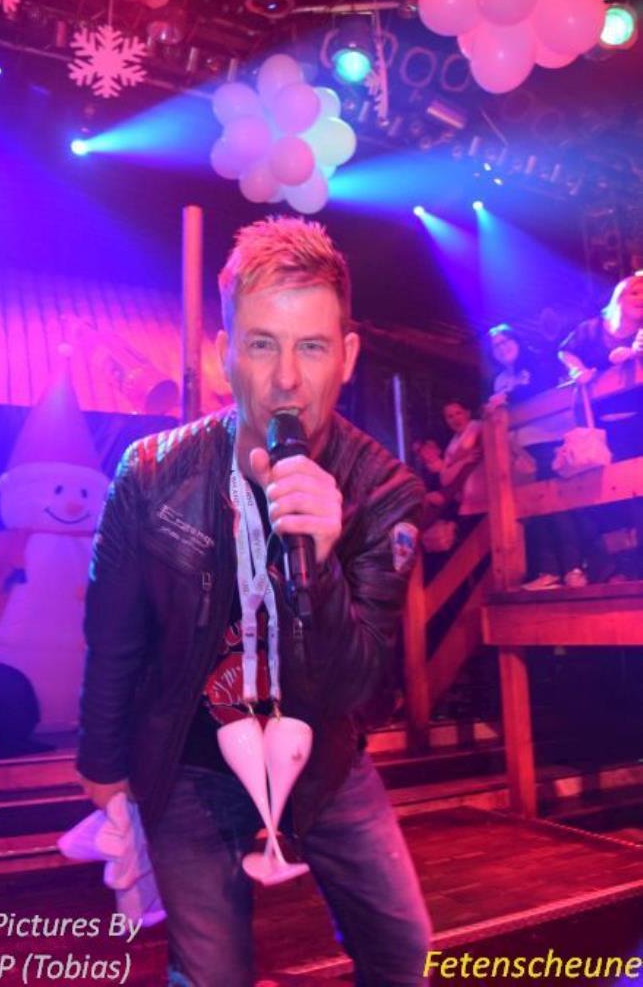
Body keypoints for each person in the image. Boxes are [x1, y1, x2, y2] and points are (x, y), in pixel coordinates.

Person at [76, 216, 432, 987]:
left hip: (323, 759)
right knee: (212, 974)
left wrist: (323, 565)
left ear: (347, 357)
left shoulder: (384, 493)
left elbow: (358, 685)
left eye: (312, 347)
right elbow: (113, 636)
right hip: (189, 763)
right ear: (223, 353)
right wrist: (101, 761)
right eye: (263, 344)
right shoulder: (149, 474)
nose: (286, 379)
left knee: (405, 950)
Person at [486, 324, 587, 590]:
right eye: (496, 346)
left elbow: (541, 387)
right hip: (522, 449)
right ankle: (549, 570)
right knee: (534, 510)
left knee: (559, 503)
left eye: (506, 341)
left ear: (517, 341)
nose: (502, 348)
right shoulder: (499, 380)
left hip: (549, 439)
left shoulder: (537, 362)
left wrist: (507, 397)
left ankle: (574, 568)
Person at [559, 274, 643, 579]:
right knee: (607, 498)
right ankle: (617, 567)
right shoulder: (592, 329)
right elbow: (565, 351)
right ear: (619, 296)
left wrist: (635, 355)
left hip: (638, 423)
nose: (642, 296)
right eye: (635, 291)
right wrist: (577, 369)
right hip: (603, 428)